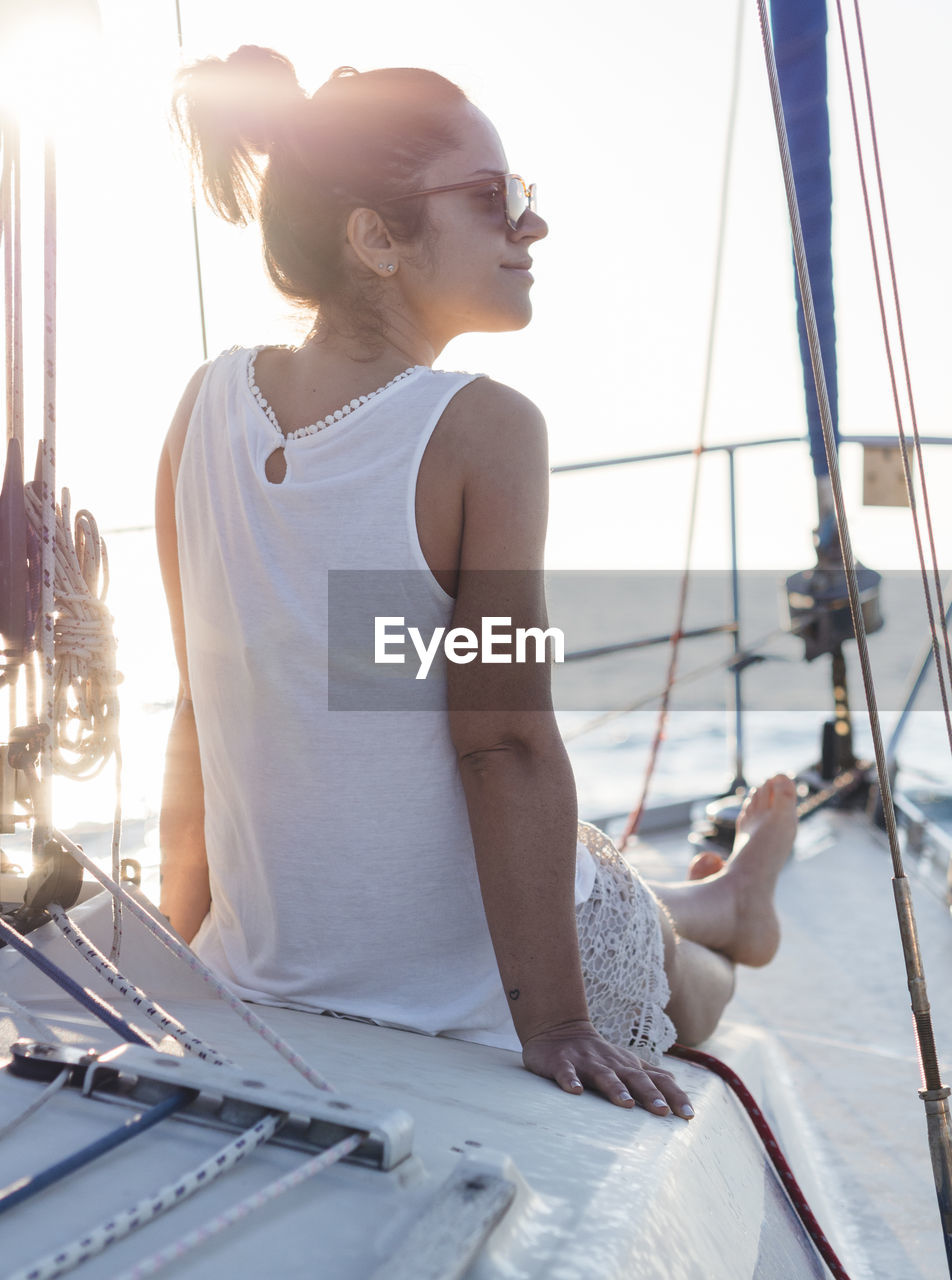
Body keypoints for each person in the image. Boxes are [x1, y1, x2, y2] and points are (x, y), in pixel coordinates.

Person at [157, 46, 798, 1121]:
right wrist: (553, 1021)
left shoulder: (203, 403)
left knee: (644, 934)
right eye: (496, 198)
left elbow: (197, 704)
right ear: (375, 238)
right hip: (467, 986)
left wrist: (190, 957)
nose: (531, 225)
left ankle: (726, 898)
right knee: (689, 993)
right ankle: (724, 905)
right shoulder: (486, 432)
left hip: (300, 964)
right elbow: (500, 740)